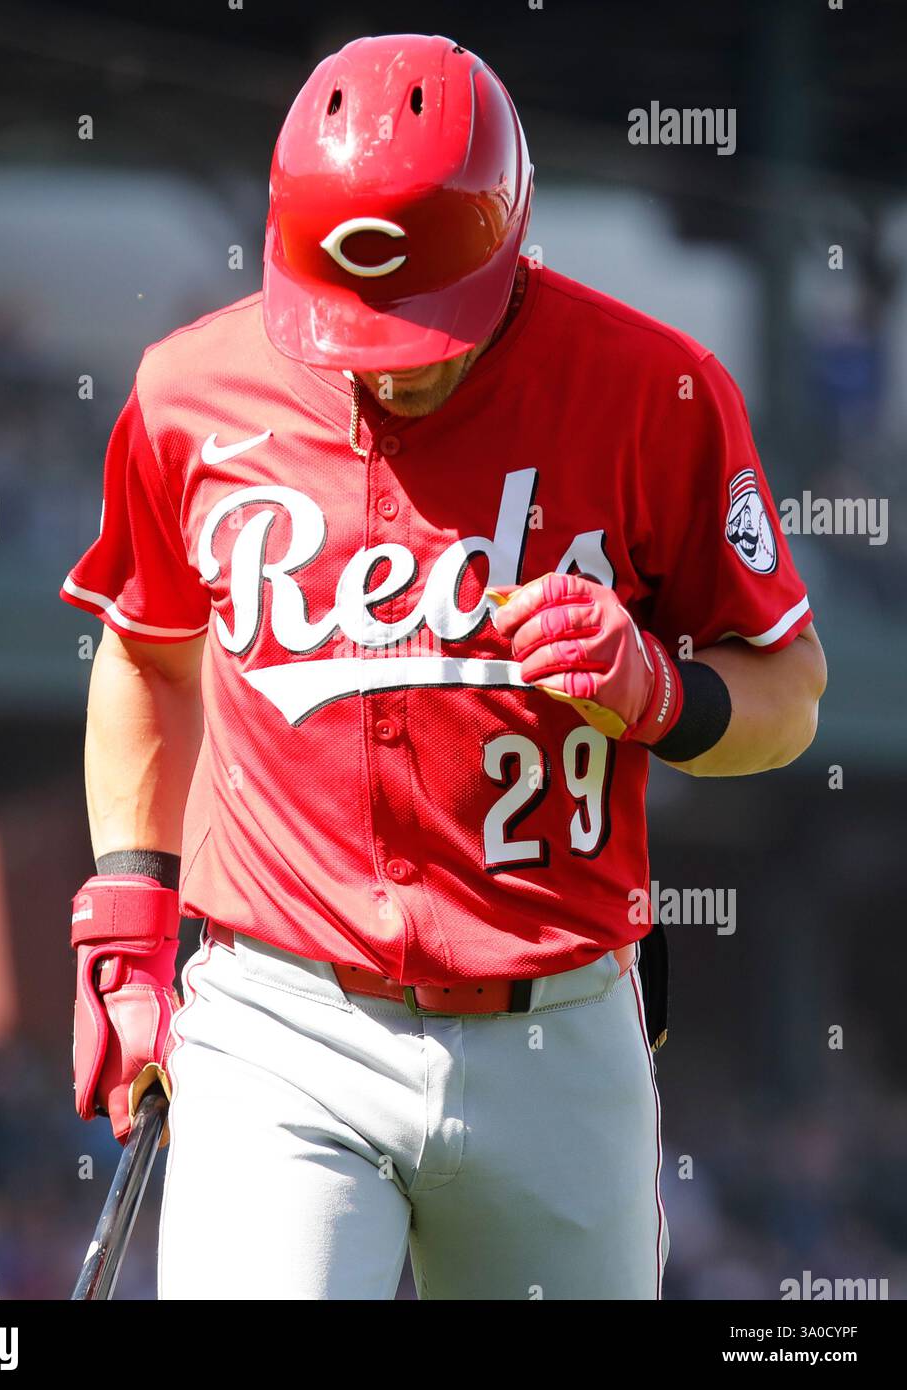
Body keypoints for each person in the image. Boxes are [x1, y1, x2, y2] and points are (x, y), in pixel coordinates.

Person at [62, 33, 826, 1300]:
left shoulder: (658, 393)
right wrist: (127, 928)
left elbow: (789, 698)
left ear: (510, 248)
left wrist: (657, 692)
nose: (378, 364)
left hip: (558, 1024)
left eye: (418, 326)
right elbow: (145, 658)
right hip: (279, 1018)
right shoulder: (187, 389)